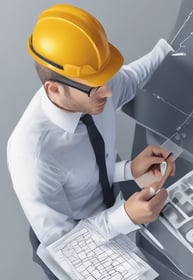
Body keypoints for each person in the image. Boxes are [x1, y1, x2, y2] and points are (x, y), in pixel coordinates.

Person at [7, 4, 175, 279]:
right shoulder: (31, 156)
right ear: (55, 89)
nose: (109, 91)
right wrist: (125, 217)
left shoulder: (94, 91)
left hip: (115, 215)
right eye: (95, 85)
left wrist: (127, 169)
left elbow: (131, 79)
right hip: (72, 243)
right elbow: (65, 247)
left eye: (105, 77)